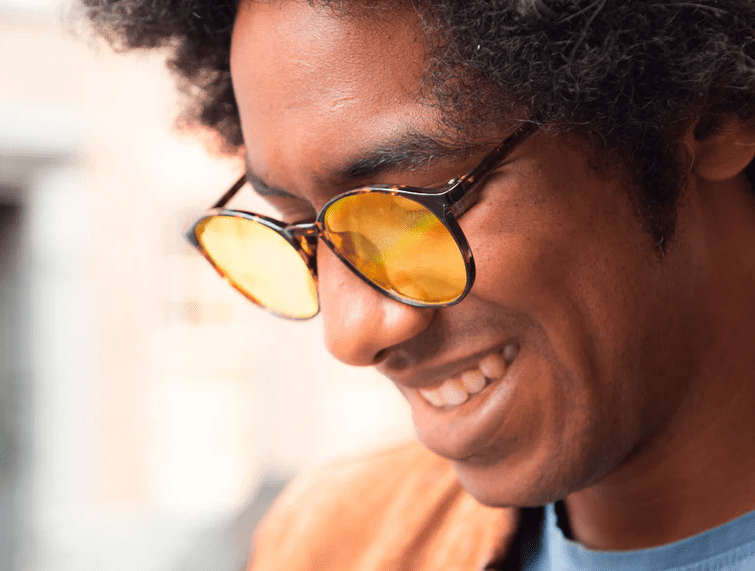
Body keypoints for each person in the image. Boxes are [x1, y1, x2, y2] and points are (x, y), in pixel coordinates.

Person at [79, 1, 755, 569]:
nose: (349, 333)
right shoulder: (333, 544)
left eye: (414, 204)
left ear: (707, 114)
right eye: (296, 226)